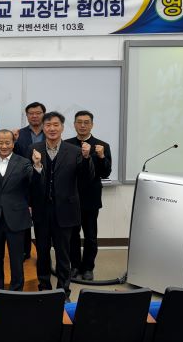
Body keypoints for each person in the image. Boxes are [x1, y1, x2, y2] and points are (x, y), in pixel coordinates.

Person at [29, 111, 94, 299]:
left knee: (63, 253)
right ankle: (44, 286)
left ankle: (63, 291)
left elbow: (85, 179)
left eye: (56, 125)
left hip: (66, 210)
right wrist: (37, 167)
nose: (52, 128)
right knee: (42, 252)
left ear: (63, 128)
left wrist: (87, 158)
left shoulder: (74, 151)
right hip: (42, 210)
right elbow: (29, 182)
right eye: (48, 125)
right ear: (43, 128)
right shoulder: (33, 149)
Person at [0, 130, 40, 296]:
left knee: (16, 259)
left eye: (8, 142)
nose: (4, 146)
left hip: (17, 218)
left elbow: (34, 183)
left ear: (13, 144)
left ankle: (16, 293)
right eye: (0, 142)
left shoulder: (23, 162)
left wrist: (37, 165)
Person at [66, 110, 112, 281]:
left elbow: (105, 172)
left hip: (91, 198)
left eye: (86, 122)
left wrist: (101, 156)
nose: (83, 125)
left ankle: (88, 268)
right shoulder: (67, 144)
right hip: (71, 197)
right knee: (72, 235)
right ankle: (74, 266)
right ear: (74, 124)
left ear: (92, 125)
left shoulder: (102, 145)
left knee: (91, 236)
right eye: (79, 122)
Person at [14, 101, 46, 260]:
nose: (34, 116)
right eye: (31, 113)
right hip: (23, 184)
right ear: (26, 116)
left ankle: (43, 255)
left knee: (42, 223)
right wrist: (14, 142)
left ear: (43, 114)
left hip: (44, 183)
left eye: (38, 113)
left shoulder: (51, 132)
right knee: (23, 221)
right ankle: (24, 252)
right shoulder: (19, 134)